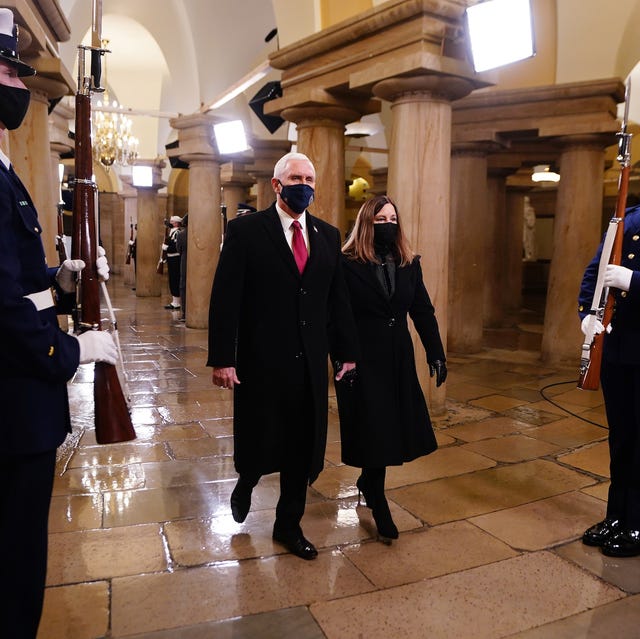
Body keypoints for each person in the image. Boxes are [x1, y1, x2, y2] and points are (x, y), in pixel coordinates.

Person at [0, 10, 118, 637]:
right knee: (16, 562)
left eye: (19, 73)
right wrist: (71, 351)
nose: (17, 85)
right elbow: (3, 310)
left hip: (19, 402)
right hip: (14, 407)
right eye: (4, 73)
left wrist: (58, 278)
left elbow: (14, 278)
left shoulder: (4, 171)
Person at [207, 151, 358, 560]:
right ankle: (247, 478)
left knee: (301, 444)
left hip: (310, 361)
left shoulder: (327, 235)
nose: (304, 184)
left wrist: (346, 352)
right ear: (277, 185)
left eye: (310, 177)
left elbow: (336, 301)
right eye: (296, 177)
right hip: (261, 359)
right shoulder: (247, 232)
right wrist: (223, 357)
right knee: (260, 434)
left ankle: (287, 525)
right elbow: (226, 300)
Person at [336, 195, 447, 543]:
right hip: (361, 357)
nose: (388, 224)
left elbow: (422, 311)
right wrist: (342, 357)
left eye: (392, 218)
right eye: (380, 219)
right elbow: (337, 315)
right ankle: (377, 495)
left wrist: (436, 353)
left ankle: (371, 483)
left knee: (389, 425)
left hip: (397, 354)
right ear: (367, 223)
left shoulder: (407, 263)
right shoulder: (347, 262)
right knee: (373, 425)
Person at [579, 203, 640, 557]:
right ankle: (616, 515)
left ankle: (637, 521)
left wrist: (633, 280)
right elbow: (595, 270)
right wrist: (586, 314)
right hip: (617, 348)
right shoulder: (628, 217)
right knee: (621, 438)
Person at [164, 215, 182, 309]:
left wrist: (167, 248)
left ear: (175, 223)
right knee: (172, 279)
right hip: (171, 259)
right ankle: (174, 301)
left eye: (171, 222)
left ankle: (177, 302)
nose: (170, 223)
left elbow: (176, 247)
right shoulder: (172, 232)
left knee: (175, 279)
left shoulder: (177, 233)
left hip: (175, 259)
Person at [176, 213, 187, 321]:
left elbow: (178, 249)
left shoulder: (181, 234)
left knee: (183, 287)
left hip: (184, 261)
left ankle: (185, 313)